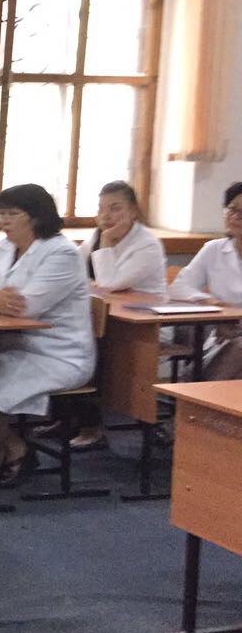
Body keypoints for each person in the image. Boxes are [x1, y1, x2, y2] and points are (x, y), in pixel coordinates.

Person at [0, 184, 94, 487]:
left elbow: (26, 306)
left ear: (36, 217)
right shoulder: (4, 248)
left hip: (59, 355)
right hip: (15, 347)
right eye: (1, 214)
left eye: (12, 214)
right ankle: (13, 447)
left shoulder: (61, 253)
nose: (4, 221)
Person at [70, 180, 167, 450]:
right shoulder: (95, 237)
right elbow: (71, 273)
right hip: (107, 319)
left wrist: (106, 244)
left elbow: (110, 282)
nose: (106, 216)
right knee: (71, 339)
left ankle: (91, 426)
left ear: (133, 211)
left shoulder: (147, 244)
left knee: (92, 347)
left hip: (146, 325)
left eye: (115, 208)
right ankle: (68, 417)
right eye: (101, 209)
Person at [168, 181, 242, 380]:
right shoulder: (214, 249)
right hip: (220, 331)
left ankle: (192, 388)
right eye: (231, 209)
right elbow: (179, 287)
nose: (235, 216)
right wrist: (212, 304)